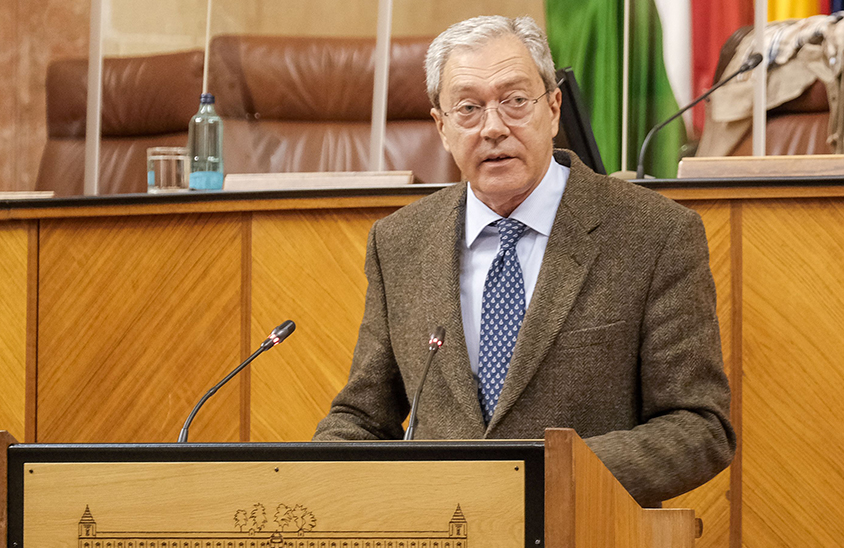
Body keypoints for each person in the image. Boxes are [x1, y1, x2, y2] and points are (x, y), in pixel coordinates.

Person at [313, 15, 735, 507]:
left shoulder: (653, 234)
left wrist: (545, 478)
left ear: (553, 109)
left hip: (585, 528)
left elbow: (699, 427)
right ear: (442, 127)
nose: (493, 127)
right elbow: (363, 418)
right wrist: (310, 486)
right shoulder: (400, 242)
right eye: (468, 108)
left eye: (515, 101)